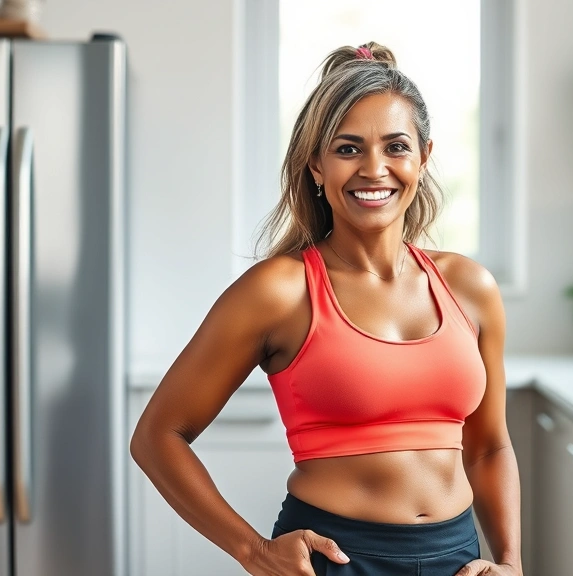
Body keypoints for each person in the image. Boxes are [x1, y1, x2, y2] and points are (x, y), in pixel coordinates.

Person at [129, 41, 522, 576]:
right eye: (348, 149)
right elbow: (157, 436)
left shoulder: (471, 287)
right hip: (334, 561)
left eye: (396, 147)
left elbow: (489, 447)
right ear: (315, 164)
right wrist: (253, 551)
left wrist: (510, 562)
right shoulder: (279, 291)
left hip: (457, 558)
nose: (374, 169)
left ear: (424, 157)